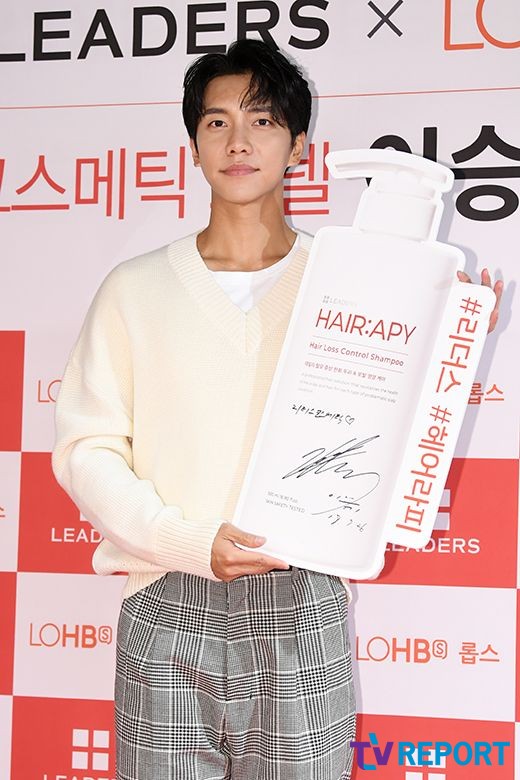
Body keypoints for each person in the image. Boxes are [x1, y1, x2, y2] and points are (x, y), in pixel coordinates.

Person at [51, 38, 503, 780]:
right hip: (166, 598)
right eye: (217, 121)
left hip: (303, 596)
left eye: (261, 121)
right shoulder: (135, 288)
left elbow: (389, 434)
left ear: (297, 144)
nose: (238, 141)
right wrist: (185, 541)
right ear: (193, 144)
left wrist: (449, 341)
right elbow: (87, 449)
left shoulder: (355, 286)